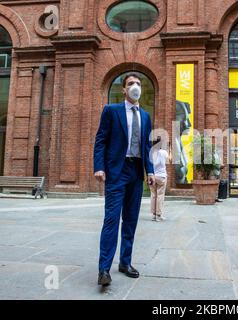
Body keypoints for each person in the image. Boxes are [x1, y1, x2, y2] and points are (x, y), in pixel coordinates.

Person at [94, 73, 155, 286]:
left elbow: (147, 146)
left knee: (130, 220)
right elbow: (101, 140)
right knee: (111, 219)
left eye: (138, 83)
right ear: (123, 89)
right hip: (116, 172)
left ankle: (125, 262)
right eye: (131, 84)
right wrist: (99, 167)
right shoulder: (111, 111)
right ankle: (104, 269)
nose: (135, 87)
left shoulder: (145, 116)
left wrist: (151, 171)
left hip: (136, 172)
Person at [150, 137, 169, 222]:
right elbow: (168, 160)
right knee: (160, 195)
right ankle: (159, 215)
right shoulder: (164, 152)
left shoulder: (151, 152)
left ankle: (154, 215)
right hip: (161, 176)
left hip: (152, 176)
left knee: (153, 195)